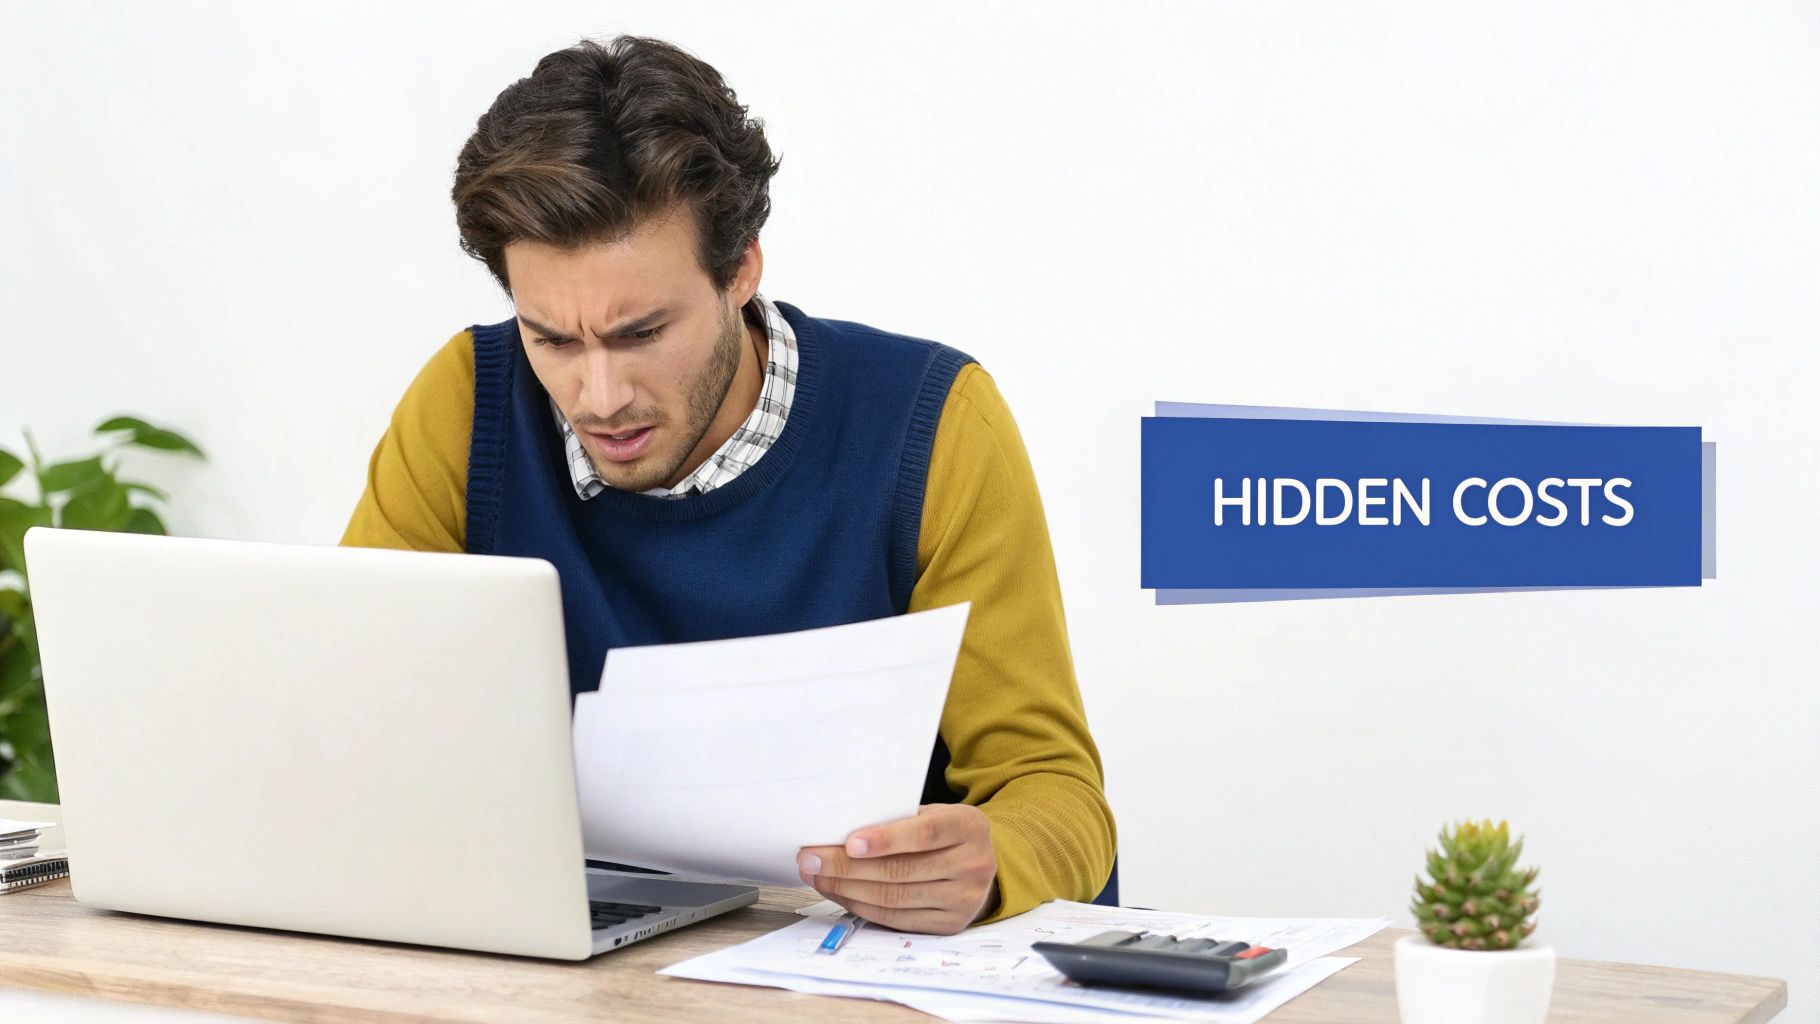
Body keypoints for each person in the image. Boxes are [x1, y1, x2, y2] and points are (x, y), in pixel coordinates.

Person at [340, 34, 1113, 935]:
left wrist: (990, 863)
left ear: (741, 267)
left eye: (640, 333)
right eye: (551, 338)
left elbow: (1055, 792)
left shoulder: (933, 424)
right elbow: (357, 716)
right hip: (578, 967)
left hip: (851, 967)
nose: (599, 396)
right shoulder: (467, 404)